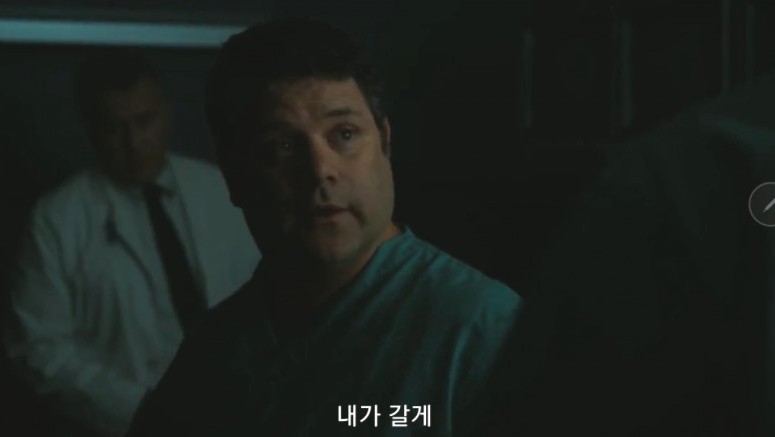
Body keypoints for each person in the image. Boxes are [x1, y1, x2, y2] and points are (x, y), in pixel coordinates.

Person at [126, 19, 523, 436]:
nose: (320, 170)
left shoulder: (482, 331)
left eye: (344, 134)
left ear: (385, 143)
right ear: (235, 176)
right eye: (281, 146)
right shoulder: (214, 353)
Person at [3, 48, 260, 437]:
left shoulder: (220, 191)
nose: (135, 141)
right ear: (91, 130)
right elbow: (38, 349)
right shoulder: (57, 220)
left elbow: (268, 302)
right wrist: (142, 411)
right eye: (115, 127)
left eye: (145, 121)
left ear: (167, 113)